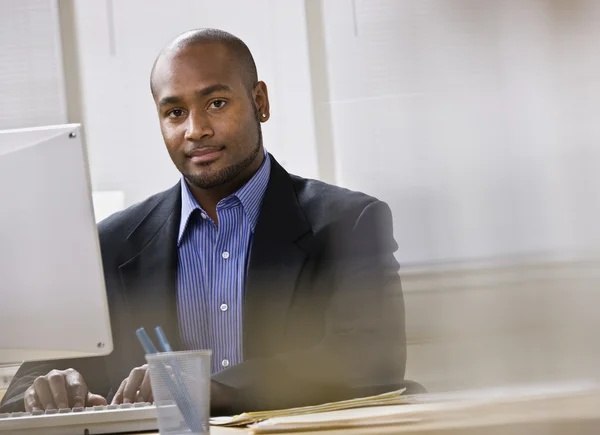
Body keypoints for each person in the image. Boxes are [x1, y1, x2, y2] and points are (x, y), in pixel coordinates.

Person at [1, 28, 411, 416]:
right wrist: (48, 389)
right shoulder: (110, 245)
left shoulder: (349, 222)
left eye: (216, 103)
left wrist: (214, 386)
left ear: (260, 102)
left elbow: (370, 356)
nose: (195, 130)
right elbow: (23, 389)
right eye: (175, 112)